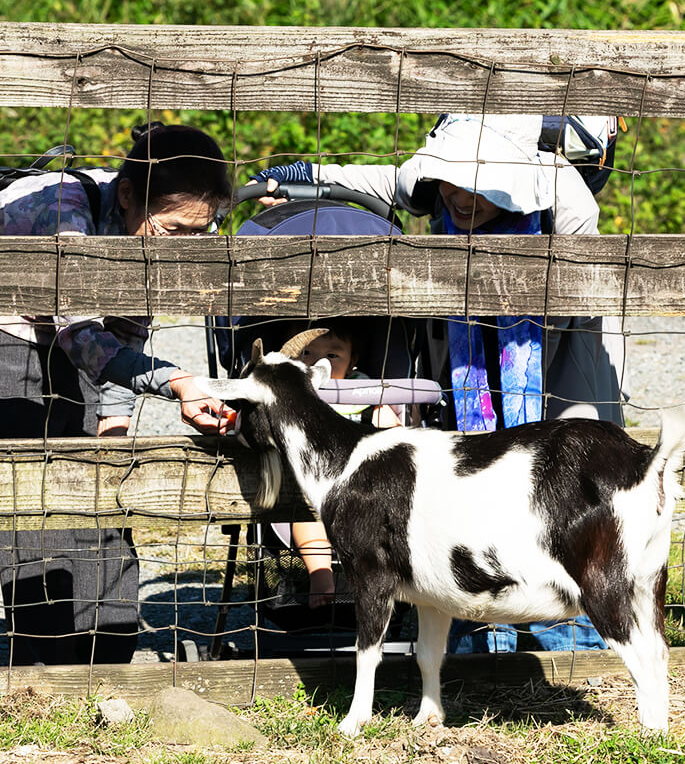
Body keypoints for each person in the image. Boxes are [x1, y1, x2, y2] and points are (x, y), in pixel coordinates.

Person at [253, 113, 619, 651]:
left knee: (565, 495)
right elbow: (369, 178)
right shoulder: (435, 198)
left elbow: (576, 205)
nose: (461, 198)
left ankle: (570, 637)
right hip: (470, 388)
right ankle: (474, 632)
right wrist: (296, 176)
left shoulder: (558, 207)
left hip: (559, 367)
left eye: (483, 186)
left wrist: (535, 156)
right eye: (449, 180)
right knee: (473, 485)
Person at [0, 122, 235, 666]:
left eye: (201, 233)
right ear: (126, 197)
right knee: (25, 489)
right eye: (175, 230)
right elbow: (83, 336)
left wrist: (112, 428)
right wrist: (178, 382)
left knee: (97, 490)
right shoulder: (67, 213)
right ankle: (45, 671)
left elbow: (127, 328)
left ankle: (107, 658)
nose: (187, 246)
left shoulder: (163, 238)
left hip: (76, 324)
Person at [272, 319, 402, 609]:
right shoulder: (292, 395)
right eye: (307, 353)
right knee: (304, 512)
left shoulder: (365, 391)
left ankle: (384, 581)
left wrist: (382, 417)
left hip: (365, 489)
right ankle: (321, 574)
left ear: (353, 361)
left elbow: (395, 435)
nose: (321, 363)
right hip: (315, 492)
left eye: (333, 356)